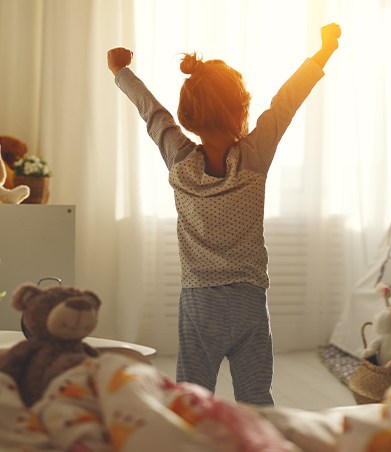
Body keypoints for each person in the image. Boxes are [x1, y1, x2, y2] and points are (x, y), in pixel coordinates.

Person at [107, 23, 341, 406]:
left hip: (200, 302)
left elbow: (152, 112)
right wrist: (324, 51)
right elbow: (286, 101)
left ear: (187, 116)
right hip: (249, 300)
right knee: (256, 399)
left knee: (192, 399)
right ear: (241, 110)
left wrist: (120, 71)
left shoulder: (179, 159)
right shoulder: (254, 156)